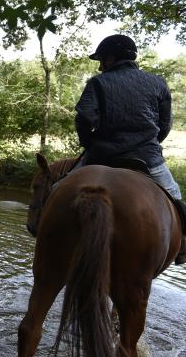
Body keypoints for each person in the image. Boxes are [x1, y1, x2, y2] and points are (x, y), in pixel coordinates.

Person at [74, 34, 186, 264]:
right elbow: (164, 125)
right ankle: (183, 247)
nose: (100, 65)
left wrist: (89, 143)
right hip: (148, 158)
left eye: (102, 59)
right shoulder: (158, 83)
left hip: (101, 156)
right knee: (175, 197)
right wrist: (150, 143)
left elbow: (84, 117)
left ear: (112, 59)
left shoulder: (97, 82)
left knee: (57, 187)